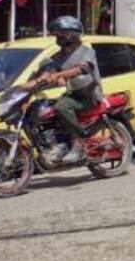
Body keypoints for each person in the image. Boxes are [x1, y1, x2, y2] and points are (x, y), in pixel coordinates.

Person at [31, 16, 100, 164]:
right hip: (72, 94)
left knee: (62, 106)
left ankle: (78, 143)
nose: (58, 36)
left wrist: (58, 75)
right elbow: (48, 69)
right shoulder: (59, 55)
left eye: (61, 33)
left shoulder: (86, 51)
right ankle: (57, 143)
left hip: (88, 96)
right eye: (56, 33)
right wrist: (34, 82)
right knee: (44, 107)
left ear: (72, 33)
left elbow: (81, 68)